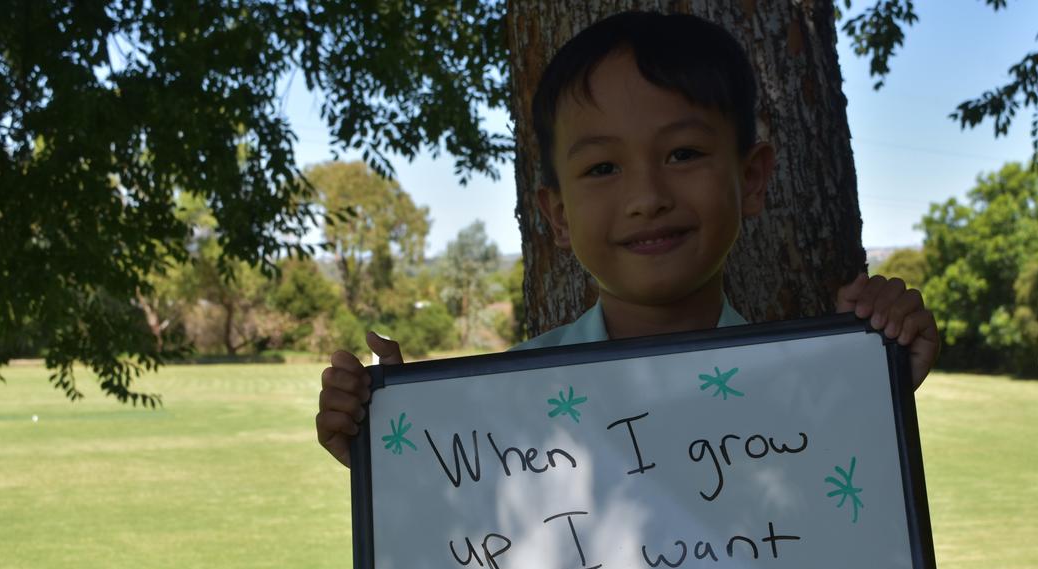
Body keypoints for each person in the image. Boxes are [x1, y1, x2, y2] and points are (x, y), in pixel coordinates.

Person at [316, 11, 939, 468]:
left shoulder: (813, 387)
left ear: (751, 178)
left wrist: (874, 374)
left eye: (684, 152)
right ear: (556, 215)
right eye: (603, 168)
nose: (647, 196)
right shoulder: (495, 411)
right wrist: (395, 438)